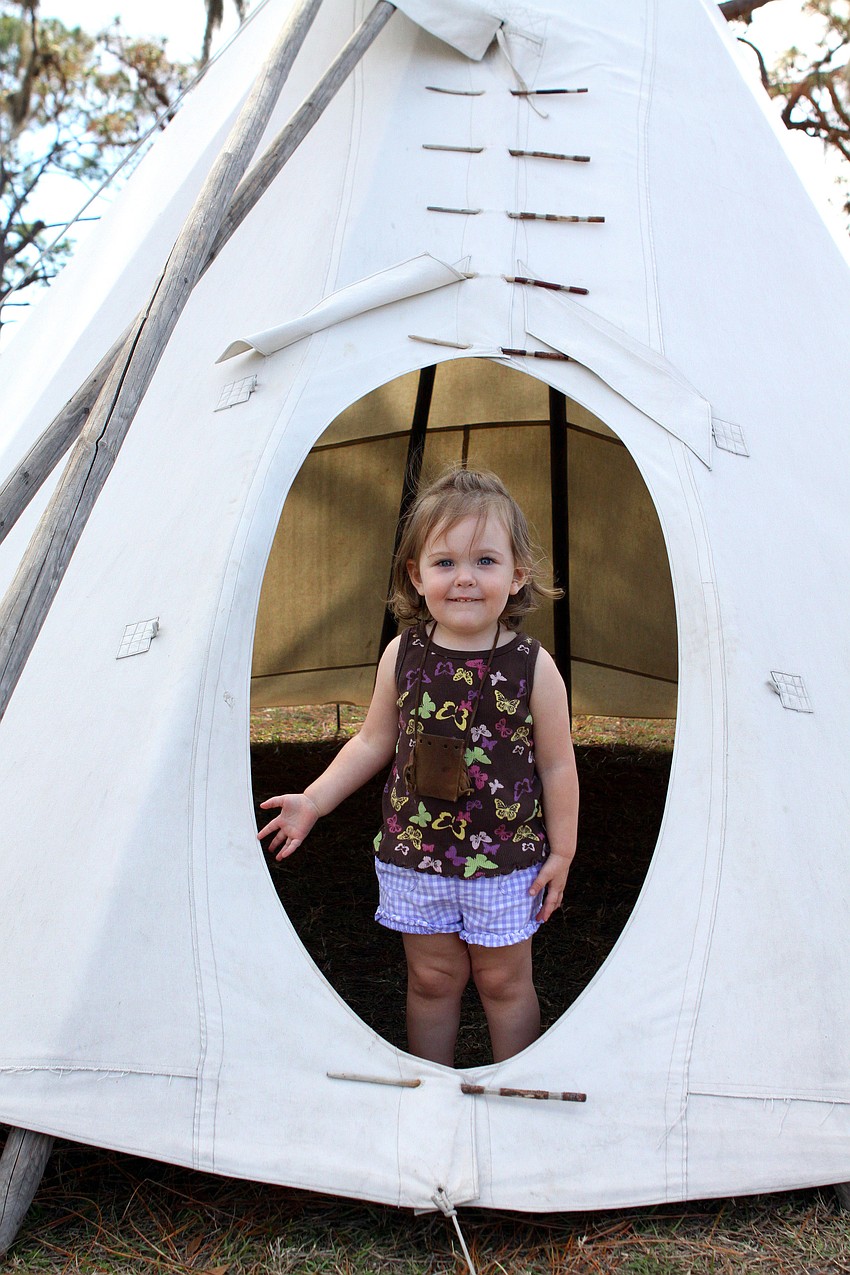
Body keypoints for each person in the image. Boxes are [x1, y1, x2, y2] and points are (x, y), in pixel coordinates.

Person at [258, 467, 579, 1067]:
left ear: (518, 575)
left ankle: (516, 1095)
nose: (464, 579)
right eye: (445, 563)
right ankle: (432, 1091)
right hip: (415, 857)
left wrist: (561, 853)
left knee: (504, 984)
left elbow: (559, 766)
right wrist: (314, 800)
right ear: (417, 575)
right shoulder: (403, 654)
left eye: (486, 561)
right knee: (431, 980)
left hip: (505, 865)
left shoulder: (534, 667)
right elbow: (372, 741)